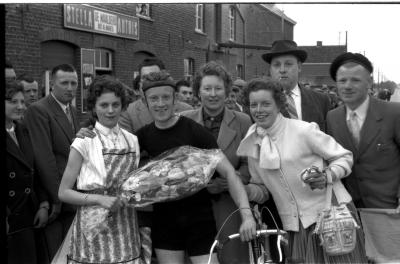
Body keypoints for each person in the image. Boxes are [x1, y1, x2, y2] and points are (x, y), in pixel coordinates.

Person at [237, 78, 368, 263]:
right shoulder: (252, 142)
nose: (259, 110)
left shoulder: (303, 130)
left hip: (332, 217)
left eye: (266, 104)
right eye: (253, 105)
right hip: (296, 227)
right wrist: (242, 189)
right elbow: (262, 189)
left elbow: (344, 156)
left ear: (279, 104)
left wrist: (327, 176)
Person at [58, 75, 142, 263]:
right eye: (104, 105)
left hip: (125, 226)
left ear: (123, 105)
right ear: (94, 108)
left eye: (116, 104)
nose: (110, 111)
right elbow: (63, 192)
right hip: (92, 231)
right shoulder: (84, 141)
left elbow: (134, 186)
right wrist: (99, 199)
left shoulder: (132, 140)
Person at [181, 61, 252, 264]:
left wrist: (231, 180)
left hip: (230, 206)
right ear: (198, 91)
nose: (213, 94)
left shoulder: (243, 121)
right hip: (194, 207)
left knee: (232, 258)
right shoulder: (183, 120)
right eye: (207, 88)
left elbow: (250, 165)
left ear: (227, 91)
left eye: (218, 88)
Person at [327, 52, 400, 211]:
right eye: (342, 80)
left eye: (355, 80)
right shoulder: (333, 117)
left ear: (370, 82)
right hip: (350, 210)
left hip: (389, 209)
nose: (347, 86)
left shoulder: (394, 113)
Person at [24, 64, 80, 261]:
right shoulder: (38, 110)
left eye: (74, 83)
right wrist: (58, 197)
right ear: (51, 85)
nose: (70, 88)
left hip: (73, 194)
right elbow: (44, 158)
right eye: (64, 83)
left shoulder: (72, 110)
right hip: (57, 198)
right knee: (55, 254)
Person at [6, 80, 49, 264]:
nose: (20, 106)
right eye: (13, 101)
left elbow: (33, 170)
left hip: (29, 214)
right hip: (10, 216)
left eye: (23, 102)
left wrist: (43, 204)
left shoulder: (22, 129)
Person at [262, 39, 331, 132]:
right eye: (277, 65)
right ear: (270, 69)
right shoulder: (260, 103)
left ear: (299, 67)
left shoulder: (321, 100)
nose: (282, 70)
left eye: (288, 64)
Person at [119, 57, 193, 134]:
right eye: (145, 78)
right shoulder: (128, 113)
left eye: (154, 76)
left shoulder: (187, 110)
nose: (150, 81)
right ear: (139, 82)